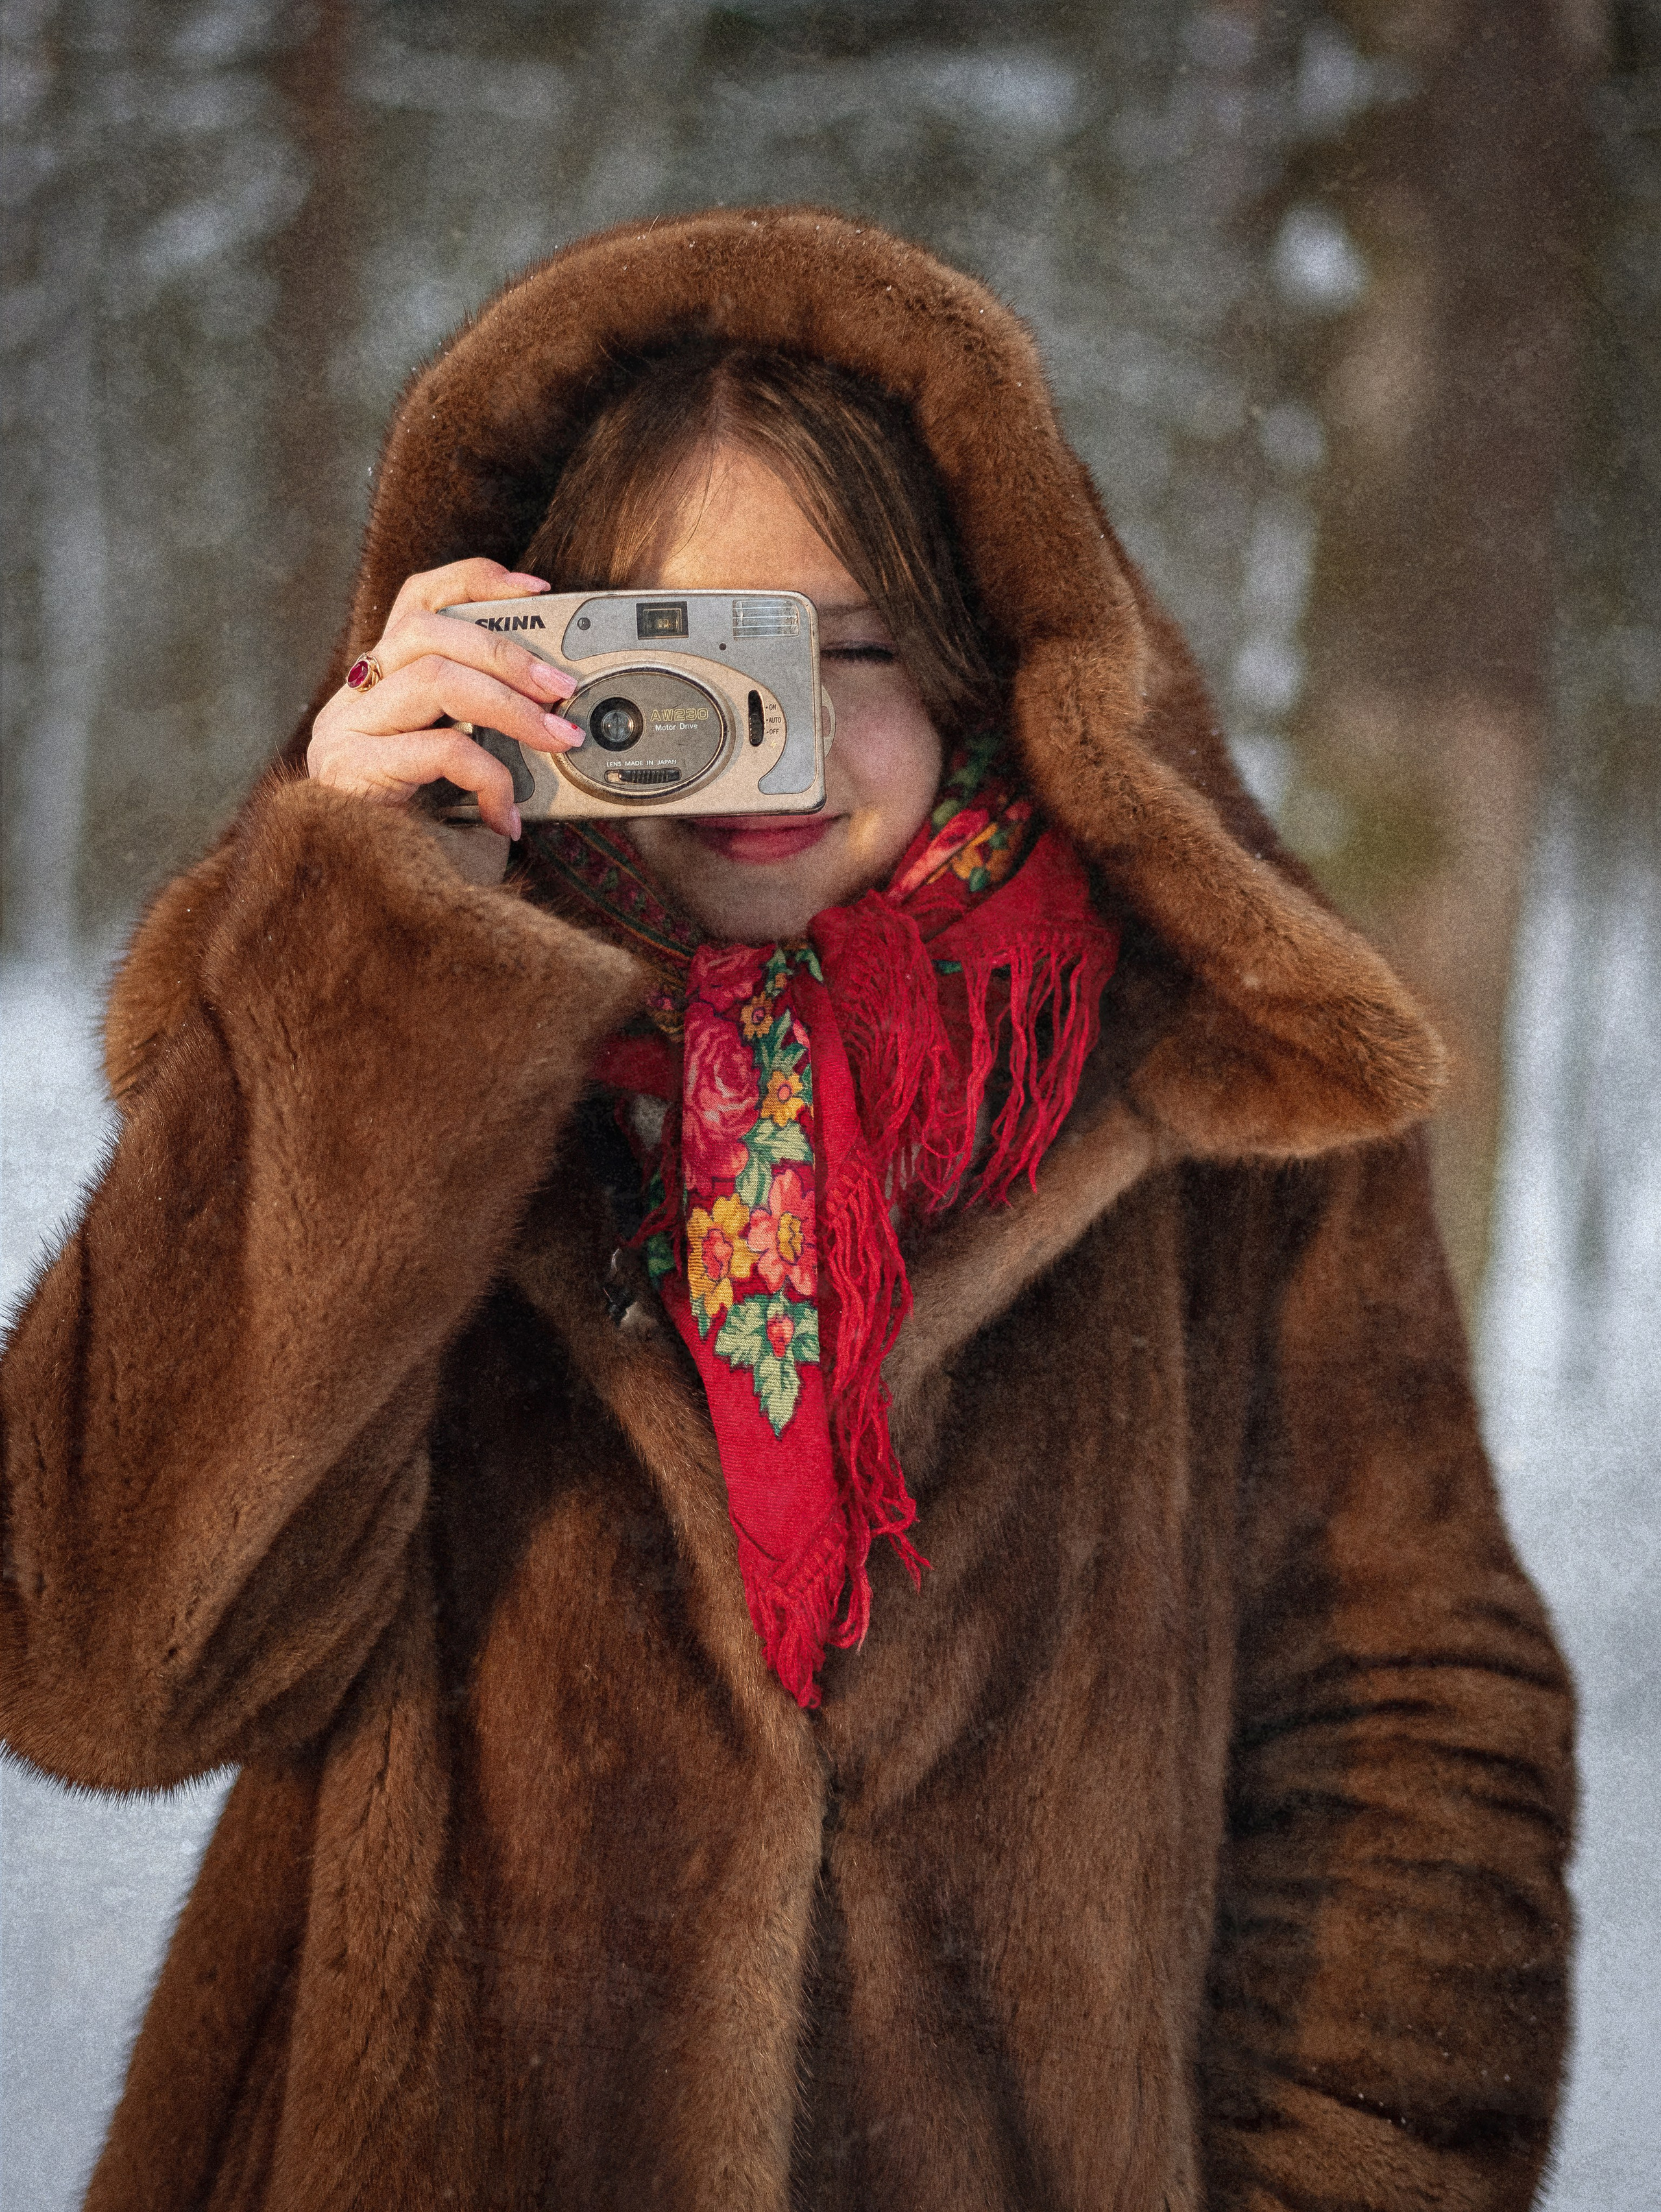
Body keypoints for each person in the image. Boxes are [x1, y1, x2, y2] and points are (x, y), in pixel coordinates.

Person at [0, 209, 1571, 2210]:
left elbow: (1411, 1743)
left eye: (860, 647)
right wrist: (370, 959)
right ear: (523, 653)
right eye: (675, 650)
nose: (780, 736)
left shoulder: (1210, 1105)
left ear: (1007, 665)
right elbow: (109, 1669)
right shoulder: (383, 1040)